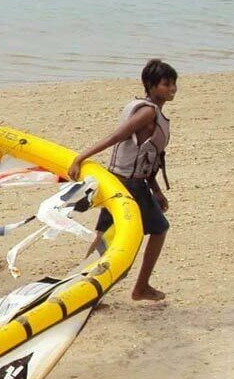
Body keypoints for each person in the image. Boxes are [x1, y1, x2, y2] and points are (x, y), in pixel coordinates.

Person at [67, 58, 177, 301]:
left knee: (104, 235)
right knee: (159, 229)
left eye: (173, 84)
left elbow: (146, 157)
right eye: (166, 84)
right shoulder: (148, 112)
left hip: (116, 180)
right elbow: (116, 137)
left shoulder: (142, 107)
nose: (172, 89)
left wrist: (156, 189)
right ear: (150, 85)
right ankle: (141, 287)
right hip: (131, 185)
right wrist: (80, 157)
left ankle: (82, 292)